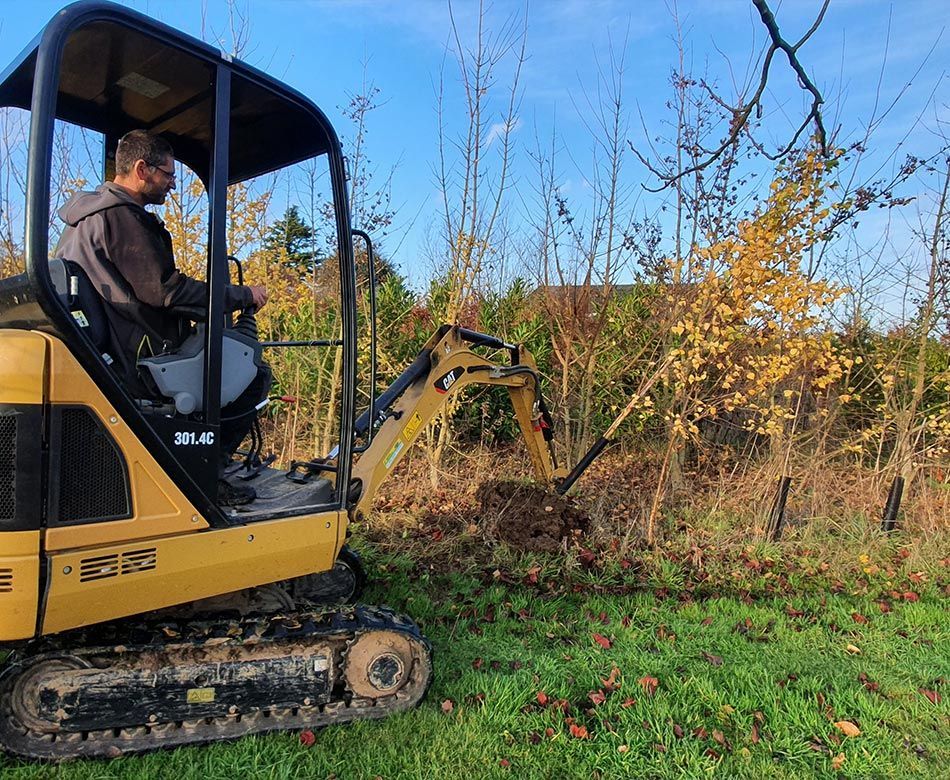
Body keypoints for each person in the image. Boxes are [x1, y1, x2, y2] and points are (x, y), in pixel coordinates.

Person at [55, 129, 269, 505]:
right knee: (253, 373)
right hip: (138, 358)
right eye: (168, 175)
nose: (172, 185)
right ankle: (204, 480)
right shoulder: (121, 217)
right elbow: (165, 291)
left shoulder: (81, 220)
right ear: (142, 169)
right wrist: (241, 296)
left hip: (109, 350)